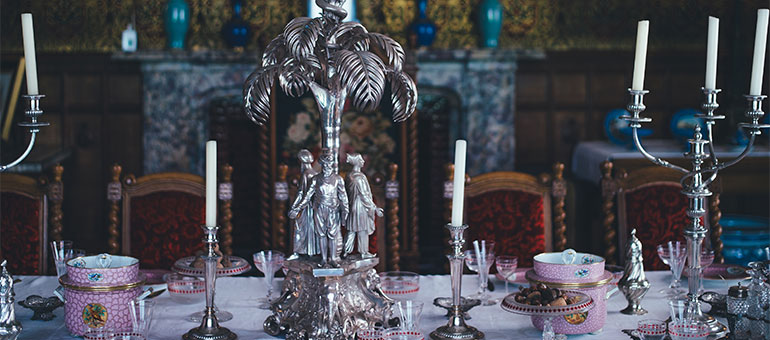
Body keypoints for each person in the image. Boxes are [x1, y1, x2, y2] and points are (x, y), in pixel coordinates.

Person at [289, 152, 349, 266]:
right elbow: (307, 196)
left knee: (332, 235)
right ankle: (324, 259)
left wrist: (345, 212)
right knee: (321, 234)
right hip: (319, 209)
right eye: (325, 164)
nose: (327, 167)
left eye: (329, 164)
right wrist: (297, 208)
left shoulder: (338, 179)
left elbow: (343, 196)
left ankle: (333, 258)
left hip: (333, 209)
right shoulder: (316, 179)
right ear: (321, 165)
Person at [344, 153, 383, 258]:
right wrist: (375, 208)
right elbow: (364, 196)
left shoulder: (349, 175)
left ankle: (345, 251)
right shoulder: (359, 178)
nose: (363, 161)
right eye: (361, 160)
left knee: (351, 231)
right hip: (360, 207)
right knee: (362, 230)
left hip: (352, 206)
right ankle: (363, 252)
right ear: (357, 162)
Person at [288, 149, 319, 259]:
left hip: (305, 207)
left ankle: (298, 252)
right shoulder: (314, 173)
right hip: (313, 207)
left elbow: (301, 193)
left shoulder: (306, 174)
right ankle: (310, 251)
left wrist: (295, 207)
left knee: (299, 229)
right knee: (310, 230)